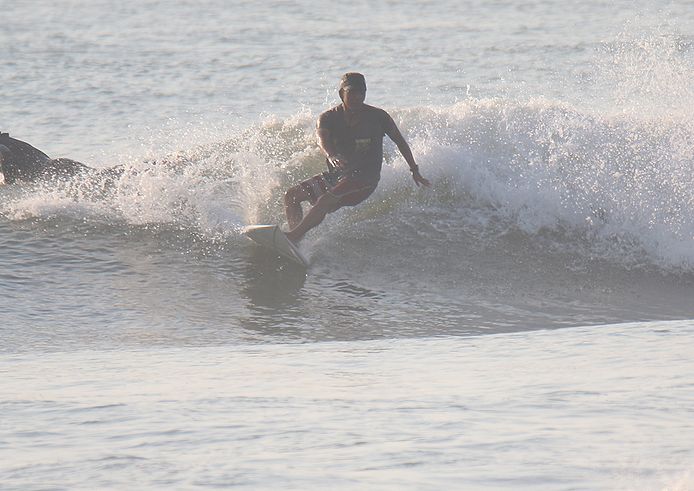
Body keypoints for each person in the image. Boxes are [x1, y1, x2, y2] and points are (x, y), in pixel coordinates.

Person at [283, 72, 430, 243]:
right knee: (292, 196)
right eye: (352, 93)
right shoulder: (328, 118)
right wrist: (331, 155)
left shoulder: (378, 117)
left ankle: (293, 237)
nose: (357, 97)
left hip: (364, 180)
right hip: (337, 177)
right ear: (341, 94)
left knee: (325, 200)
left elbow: (400, 142)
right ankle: (295, 242)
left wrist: (414, 170)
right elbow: (321, 139)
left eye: (361, 93)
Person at [0, 132, 91, 184]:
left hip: (47, 171)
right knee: (91, 177)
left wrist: (8, 180)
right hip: (54, 166)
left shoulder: (3, 142)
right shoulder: (8, 140)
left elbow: (5, 152)